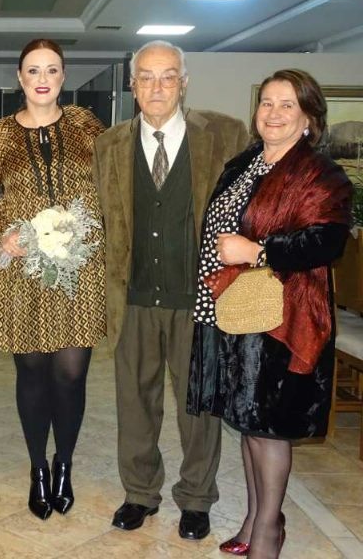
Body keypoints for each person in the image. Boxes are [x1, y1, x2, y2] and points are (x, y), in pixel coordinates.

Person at [187, 69, 353, 558]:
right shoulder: (245, 163)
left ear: (308, 118)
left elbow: (327, 242)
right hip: (234, 311)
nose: (273, 113)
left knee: (269, 428)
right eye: (266, 103)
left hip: (283, 318)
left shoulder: (321, 174)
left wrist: (258, 252)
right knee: (247, 421)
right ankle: (255, 516)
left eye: (286, 105)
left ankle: (268, 531)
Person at [92, 40, 248, 540]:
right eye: (146, 76)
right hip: (134, 298)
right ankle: (139, 493)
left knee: (197, 407)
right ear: (132, 85)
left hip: (199, 300)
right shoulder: (109, 144)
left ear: (183, 83)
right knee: (135, 403)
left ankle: (197, 498)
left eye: (167, 76)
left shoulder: (224, 135)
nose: (156, 86)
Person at [0, 39, 107, 520]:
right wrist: (1, 235)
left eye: (52, 69)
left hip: (79, 270)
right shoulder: (1, 134)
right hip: (25, 270)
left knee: (70, 374)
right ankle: (38, 469)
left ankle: (64, 463)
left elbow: (111, 182)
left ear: (64, 76)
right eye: (33, 70)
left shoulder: (87, 125)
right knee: (31, 373)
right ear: (20, 78)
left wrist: (97, 229)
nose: (42, 79)